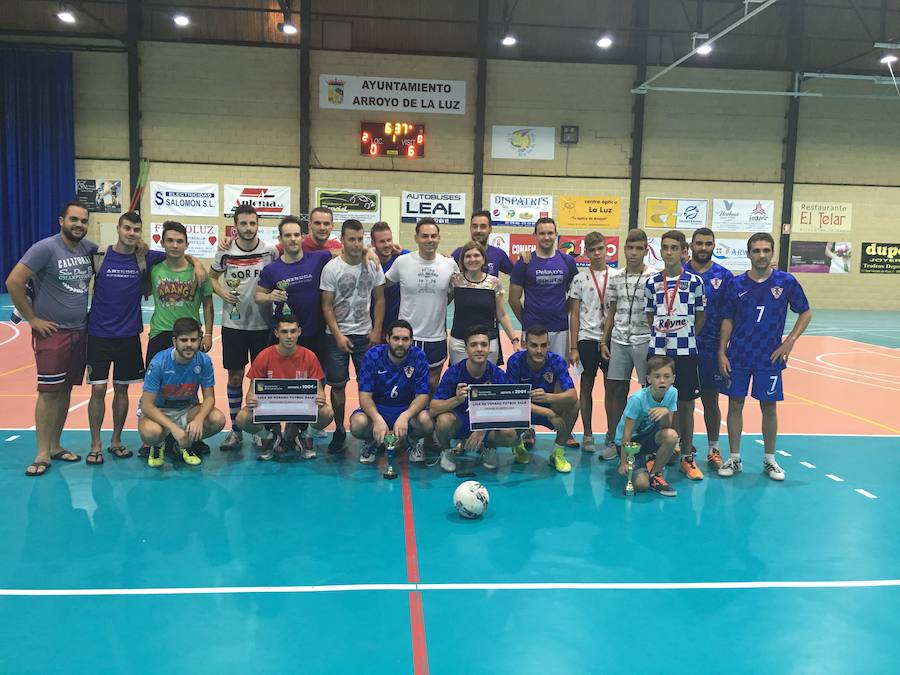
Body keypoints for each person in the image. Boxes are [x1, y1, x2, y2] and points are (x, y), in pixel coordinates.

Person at [6, 201, 97, 476]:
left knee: (65, 389)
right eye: (73, 219)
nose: (78, 225)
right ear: (61, 221)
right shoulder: (45, 248)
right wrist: (32, 318)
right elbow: (13, 281)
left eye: (83, 221)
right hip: (52, 333)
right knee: (48, 393)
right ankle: (42, 453)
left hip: (80, 331)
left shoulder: (88, 249)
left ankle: (55, 445)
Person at [717, 232, 812, 482]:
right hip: (738, 355)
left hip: (769, 357)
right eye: (756, 250)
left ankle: (770, 460)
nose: (761, 255)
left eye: (766, 250)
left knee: (769, 407)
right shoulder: (736, 284)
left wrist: (789, 342)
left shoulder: (786, 282)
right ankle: (734, 458)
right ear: (748, 254)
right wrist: (721, 351)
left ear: (772, 253)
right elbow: (727, 320)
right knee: (735, 404)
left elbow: (805, 312)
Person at [86, 211, 166, 464]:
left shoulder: (144, 258)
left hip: (129, 336)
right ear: (118, 229)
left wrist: (196, 264)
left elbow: (177, 254)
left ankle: (116, 440)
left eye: (136, 229)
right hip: (98, 335)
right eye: (127, 228)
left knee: (122, 389)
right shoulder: (99, 255)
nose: (131, 233)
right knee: (98, 389)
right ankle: (95, 444)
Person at [141, 220, 215, 457]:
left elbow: (208, 304)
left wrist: (208, 333)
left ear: (186, 244)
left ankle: (190, 435)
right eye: (170, 241)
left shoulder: (197, 272)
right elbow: (137, 248)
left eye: (180, 241)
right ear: (162, 243)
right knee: (156, 388)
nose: (175, 245)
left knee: (190, 386)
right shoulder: (155, 269)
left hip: (189, 335)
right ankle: (156, 438)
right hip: (161, 333)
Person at [210, 204, 278, 452]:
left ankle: (258, 428)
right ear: (235, 226)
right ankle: (236, 430)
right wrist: (222, 292)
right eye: (243, 224)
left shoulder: (270, 251)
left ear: (258, 224)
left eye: (252, 223)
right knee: (236, 377)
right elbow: (212, 277)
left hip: (263, 324)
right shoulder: (225, 251)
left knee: (261, 380)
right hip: (234, 324)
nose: (248, 228)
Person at [645, 229, 706, 481]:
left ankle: (686, 457)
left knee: (686, 404)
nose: (668, 252)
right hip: (658, 351)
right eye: (665, 247)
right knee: (653, 403)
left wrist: (686, 335)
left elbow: (700, 316)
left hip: (686, 351)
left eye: (674, 248)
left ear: (684, 252)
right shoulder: (652, 282)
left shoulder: (695, 282)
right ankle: (653, 453)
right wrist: (663, 333)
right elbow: (650, 315)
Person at [320, 219, 386, 454]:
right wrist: (338, 335)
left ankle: (371, 431)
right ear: (342, 240)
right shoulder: (332, 268)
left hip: (365, 336)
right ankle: (339, 430)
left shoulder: (373, 265)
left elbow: (380, 299)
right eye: (352, 239)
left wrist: (376, 330)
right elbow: (326, 306)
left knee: (370, 386)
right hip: (336, 337)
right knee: (338, 387)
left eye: (360, 239)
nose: (357, 244)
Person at [234, 315, 334, 460]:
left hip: (300, 409)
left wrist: (320, 397)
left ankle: (306, 435)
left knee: (327, 412)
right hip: (271, 409)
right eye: (284, 332)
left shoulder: (309, 356)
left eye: (293, 331)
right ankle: (269, 436)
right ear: (276, 333)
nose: (289, 336)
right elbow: (251, 392)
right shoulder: (264, 356)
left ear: (299, 332)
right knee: (242, 418)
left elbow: (319, 391)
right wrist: (250, 399)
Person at [430, 325, 520, 472]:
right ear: (466, 349)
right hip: (461, 421)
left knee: (510, 435)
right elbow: (433, 409)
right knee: (443, 421)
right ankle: (446, 451)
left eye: (483, 344)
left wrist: (483, 428)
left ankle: (489, 448)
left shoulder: (497, 374)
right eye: (473, 345)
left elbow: (509, 409)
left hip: (486, 422)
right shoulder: (454, 372)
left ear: (489, 348)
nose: (479, 349)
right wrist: (456, 400)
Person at [138, 318, 226, 467]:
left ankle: (183, 444)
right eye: (184, 340)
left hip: (187, 409)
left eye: (193, 340)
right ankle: (158, 445)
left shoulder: (204, 361)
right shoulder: (159, 363)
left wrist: (198, 420)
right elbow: (147, 406)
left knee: (217, 419)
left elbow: (209, 398)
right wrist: (174, 429)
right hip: (160, 410)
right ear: (175, 341)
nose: (189, 345)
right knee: (151, 433)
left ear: (199, 340)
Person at [384, 218, 459, 391]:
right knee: (404, 383)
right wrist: (371, 254)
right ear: (416, 238)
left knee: (432, 384)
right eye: (424, 236)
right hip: (407, 336)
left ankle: (428, 410)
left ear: (439, 238)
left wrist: (441, 303)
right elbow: (381, 284)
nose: (429, 240)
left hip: (436, 337)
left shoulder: (449, 264)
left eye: (433, 236)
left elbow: (455, 291)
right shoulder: (402, 262)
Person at [601, 228, 655, 460]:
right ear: (624, 249)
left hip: (644, 340)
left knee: (648, 391)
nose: (634, 253)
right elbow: (611, 311)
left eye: (638, 248)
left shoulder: (653, 277)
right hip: (618, 340)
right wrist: (604, 340)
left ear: (645, 251)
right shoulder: (616, 277)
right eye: (630, 248)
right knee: (616, 390)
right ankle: (614, 439)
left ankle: (646, 439)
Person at [350, 320, 433, 464]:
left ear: (411, 340)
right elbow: (365, 396)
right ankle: (371, 441)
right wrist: (377, 419)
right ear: (388, 339)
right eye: (396, 338)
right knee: (358, 423)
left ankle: (412, 440)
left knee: (427, 422)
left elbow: (422, 396)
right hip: (379, 408)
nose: (400, 343)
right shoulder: (373, 355)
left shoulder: (418, 356)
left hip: (406, 408)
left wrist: (405, 416)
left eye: (405, 339)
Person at [685, 227, 733, 469]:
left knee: (710, 400)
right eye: (699, 243)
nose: (703, 248)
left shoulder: (724, 276)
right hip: (682, 347)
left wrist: (722, 350)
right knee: (682, 401)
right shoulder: (680, 272)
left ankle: (713, 448)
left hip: (711, 349)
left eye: (708, 244)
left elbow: (728, 317)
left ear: (714, 246)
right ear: (691, 246)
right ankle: (683, 447)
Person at [505, 325, 579, 473]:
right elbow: (511, 398)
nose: (539, 350)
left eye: (543, 345)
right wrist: (548, 413)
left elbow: (572, 395)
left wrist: (548, 397)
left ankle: (558, 453)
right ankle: (517, 444)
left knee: (574, 405)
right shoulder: (515, 361)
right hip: (524, 410)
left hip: (550, 407)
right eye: (534, 345)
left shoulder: (556, 361)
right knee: (507, 421)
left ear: (548, 345)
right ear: (525, 344)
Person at [567, 231, 615, 458]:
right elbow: (574, 314)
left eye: (600, 249)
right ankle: (587, 434)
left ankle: (611, 435)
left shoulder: (617, 276)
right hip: (586, 338)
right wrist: (573, 347)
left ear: (607, 250)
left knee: (611, 389)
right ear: (586, 253)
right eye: (592, 250)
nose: (597, 254)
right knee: (586, 386)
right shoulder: (579, 279)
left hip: (611, 338)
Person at [256, 217, 333, 355]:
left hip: (315, 334)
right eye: (288, 235)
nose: (293, 239)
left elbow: (345, 253)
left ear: (303, 237)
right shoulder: (271, 269)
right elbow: (258, 296)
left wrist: (368, 252)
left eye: (296, 235)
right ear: (280, 239)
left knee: (316, 369)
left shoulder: (318, 258)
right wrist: (269, 297)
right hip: (286, 335)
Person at [508, 216, 577, 358]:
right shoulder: (524, 262)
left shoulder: (568, 261)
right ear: (535, 235)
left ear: (556, 235)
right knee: (532, 368)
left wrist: (563, 312)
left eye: (550, 233)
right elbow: (513, 300)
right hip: (532, 329)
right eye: (542, 233)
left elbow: (575, 295)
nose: (546, 237)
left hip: (559, 328)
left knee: (558, 368)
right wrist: (526, 321)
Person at [614, 355, 680, 497]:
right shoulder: (637, 399)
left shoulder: (673, 393)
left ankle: (655, 474)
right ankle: (634, 464)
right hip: (629, 442)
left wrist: (666, 412)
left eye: (666, 376)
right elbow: (627, 432)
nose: (662, 380)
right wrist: (624, 461)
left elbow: (666, 426)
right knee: (641, 485)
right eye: (657, 376)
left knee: (672, 436)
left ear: (673, 379)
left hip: (648, 436)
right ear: (649, 379)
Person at [448, 240, 518, 365]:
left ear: (483, 259)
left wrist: (514, 340)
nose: (472, 259)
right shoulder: (455, 280)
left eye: (476, 255)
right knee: (460, 376)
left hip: (488, 343)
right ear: (462, 260)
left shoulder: (494, 283)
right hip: (459, 342)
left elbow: (502, 315)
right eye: (468, 256)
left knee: (487, 377)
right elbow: (442, 303)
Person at [370, 221, 409, 333]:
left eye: (389, 240)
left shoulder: (403, 257)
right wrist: (367, 251)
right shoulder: (368, 262)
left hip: (398, 325)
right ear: (373, 243)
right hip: (373, 324)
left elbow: (423, 258)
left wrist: (443, 257)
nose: (387, 244)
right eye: (382, 241)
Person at [450, 210, 514, 278]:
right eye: (475, 226)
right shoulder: (458, 253)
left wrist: (521, 261)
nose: (478, 230)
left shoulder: (498, 254)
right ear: (470, 228)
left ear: (490, 229)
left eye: (483, 227)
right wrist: (444, 260)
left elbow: (516, 274)